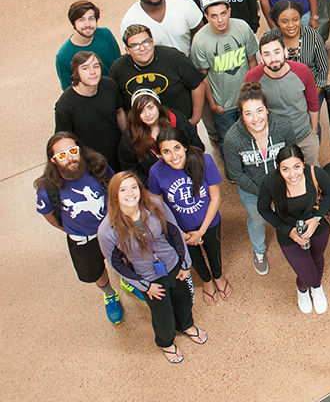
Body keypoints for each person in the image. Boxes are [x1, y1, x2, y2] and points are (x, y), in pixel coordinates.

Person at [98, 172, 204, 364]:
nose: (130, 193)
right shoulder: (107, 230)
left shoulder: (156, 205)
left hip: (174, 266)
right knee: (162, 314)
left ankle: (186, 325)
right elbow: (116, 265)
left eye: (133, 187)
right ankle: (166, 342)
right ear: (114, 195)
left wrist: (185, 264)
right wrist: (145, 287)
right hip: (149, 278)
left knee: (184, 300)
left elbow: (175, 234)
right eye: (123, 190)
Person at [35, 133, 125, 325]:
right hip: (82, 240)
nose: (70, 158)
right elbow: (49, 214)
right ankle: (109, 294)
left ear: (80, 150)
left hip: (112, 230)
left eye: (73, 151)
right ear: (53, 159)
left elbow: (113, 187)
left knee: (124, 257)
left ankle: (127, 281)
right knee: (94, 270)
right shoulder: (46, 188)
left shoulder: (98, 166)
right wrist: (67, 228)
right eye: (61, 155)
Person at [149, 128, 232, 306]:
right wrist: (180, 232)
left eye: (177, 148)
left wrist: (201, 231)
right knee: (192, 257)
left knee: (214, 252)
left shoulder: (204, 160)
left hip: (209, 224)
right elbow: (158, 208)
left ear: (185, 146)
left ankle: (218, 276)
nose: (173, 156)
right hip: (180, 230)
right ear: (160, 154)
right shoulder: (156, 172)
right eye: (166, 151)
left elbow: (215, 197)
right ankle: (207, 281)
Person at [223, 82, 296, 275]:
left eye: (259, 111)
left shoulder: (282, 127)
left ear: (267, 109)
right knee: (257, 220)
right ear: (242, 115)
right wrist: (264, 194)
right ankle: (259, 250)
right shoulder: (232, 139)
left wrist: (285, 185)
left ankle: (293, 240)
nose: (256, 119)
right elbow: (235, 174)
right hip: (252, 191)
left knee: (288, 213)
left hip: (284, 185)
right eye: (248, 113)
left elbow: (292, 156)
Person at [257, 145, 330, 314]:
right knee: (307, 275)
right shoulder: (270, 181)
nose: (292, 174)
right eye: (285, 169)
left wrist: (317, 218)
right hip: (288, 231)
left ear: (303, 163)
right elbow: (263, 209)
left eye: (297, 167)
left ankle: (316, 287)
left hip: (318, 227)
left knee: (316, 258)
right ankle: (304, 288)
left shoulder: (315, 173)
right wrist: (288, 231)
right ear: (278, 168)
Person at [191, 0, 259, 160]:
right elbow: (203, 77)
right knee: (227, 140)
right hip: (223, 104)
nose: (220, 20)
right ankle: (231, 168)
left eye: (223, 13)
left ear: (229, 11)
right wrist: (213, 105)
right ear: (206, 16)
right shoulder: (200, 40)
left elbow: (252, 61)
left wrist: (255, 94)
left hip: (246, 98)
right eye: (213, 16)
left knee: (253, 134)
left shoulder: (242, 27)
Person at [245, 35, 320, 167]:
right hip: (276, 140)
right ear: (261, 58)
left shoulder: (302, 71)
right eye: (267, 54)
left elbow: (313, 102)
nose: (273, 59)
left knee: (312, 170)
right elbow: (248, 109)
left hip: (304, 134)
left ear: (285, 52)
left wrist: (313, 131)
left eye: (277, 52)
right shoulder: (253, 77)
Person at [109, 24, 205, 126]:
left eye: (146, 42)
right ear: (127, 50)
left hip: (179, 125)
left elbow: (197, 84)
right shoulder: (118, 70)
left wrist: (195, 119)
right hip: (144, 131)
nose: (142, 48)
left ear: (153, 41)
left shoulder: (174, 58)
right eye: (135, 45)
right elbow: (117, 105)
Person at [55, 51, 126, 172]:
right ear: (75, 72)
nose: (93, 72)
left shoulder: (109, 85)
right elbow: (64, 142)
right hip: (91, 163)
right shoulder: (65, 106)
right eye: (85, 68)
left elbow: (119, 111)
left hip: (118, 153)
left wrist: (128, 139)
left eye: (96, 66)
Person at [119, 89, 203, 188]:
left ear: (158, 106)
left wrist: (191, 173)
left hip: (188, 177)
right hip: (155, 187)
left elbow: (197, 147)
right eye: (141, 111)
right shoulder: (131, 135)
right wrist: (152, 185)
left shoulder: (177, 120)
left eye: (150, 107)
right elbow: (130, 167)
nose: (147, 114)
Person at [120, 0, 203, 57]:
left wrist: (194, 58)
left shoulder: (181, 1)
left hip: (190, 62)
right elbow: (134, 53)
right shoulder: (130, 20)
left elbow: (199, 30)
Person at [261, 1, 328, 95]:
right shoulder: (269, 38)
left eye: (295, 20)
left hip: (311, 90)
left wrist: (312, 97)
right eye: (284, 21)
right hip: (280, 93)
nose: (291, 25)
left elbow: (323, 69)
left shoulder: (313, 35)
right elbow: (266, 70)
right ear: (277, 21)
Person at [56, 0, 120, 91]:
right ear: (73, 23)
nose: (87, 24)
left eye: (91, 18)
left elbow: (119, 65)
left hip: (116, 92)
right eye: (81, 20)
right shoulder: (64, 56)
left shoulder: (106, 35)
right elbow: (69, 91)